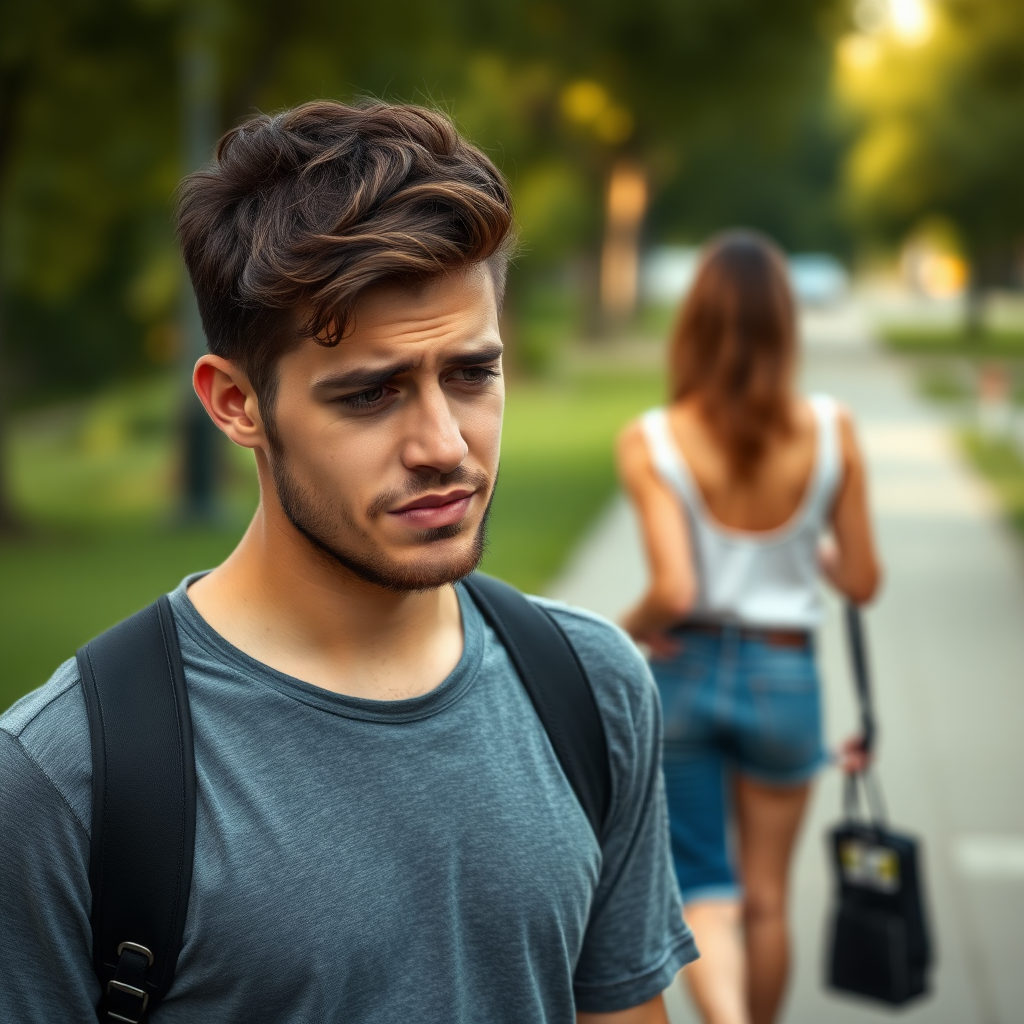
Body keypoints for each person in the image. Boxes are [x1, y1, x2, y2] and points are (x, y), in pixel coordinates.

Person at [0, 101, 696, 1023]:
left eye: (471, 374)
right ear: (237, 404)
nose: (445, 445)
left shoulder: (591, 685)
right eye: (372, 394)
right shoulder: (67, 776)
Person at [616, 231, 881, 1024]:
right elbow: (864, 581)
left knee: (702, 886)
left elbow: (676, 588)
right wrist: (819, 553)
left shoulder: (653, 438)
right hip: (785, 675)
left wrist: (628, 627)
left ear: (694, 320)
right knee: (767, 900)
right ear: (786, 323)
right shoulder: (834, 431)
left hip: (685, 673)